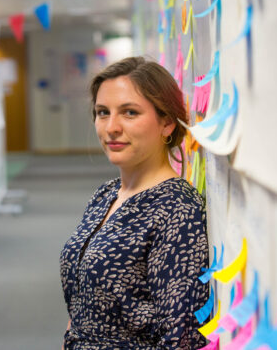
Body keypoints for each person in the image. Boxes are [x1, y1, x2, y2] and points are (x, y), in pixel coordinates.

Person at [59, 57, 209, 350]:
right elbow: (81, 304)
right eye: (103, 113)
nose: (111, 127)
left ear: (166, 123)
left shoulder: (176, 209)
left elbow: (181, 339)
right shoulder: (105, 195)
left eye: (129, 112)